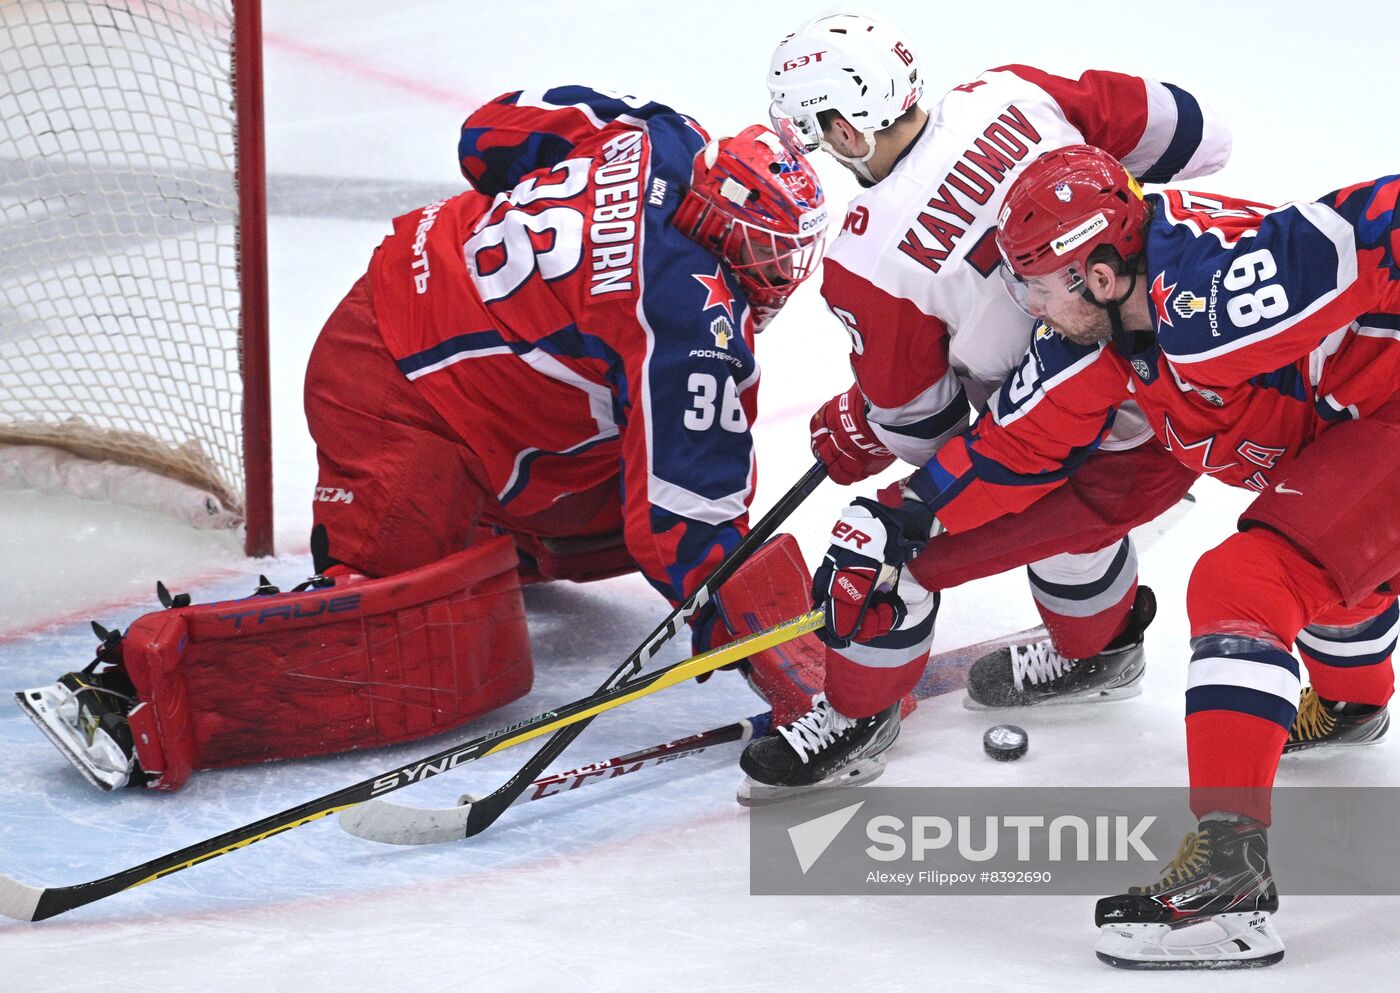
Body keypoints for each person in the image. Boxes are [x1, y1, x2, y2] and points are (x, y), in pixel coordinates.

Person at [17, 86, 832, 793]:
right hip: (394, 402)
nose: (779, 275)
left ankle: (487, 533)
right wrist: (799, 670)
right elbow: (688, 525)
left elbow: (486, 136)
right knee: (403, 643)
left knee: (635, 482)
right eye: (766, 252)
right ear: (713, 218)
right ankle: (130, 693)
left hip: (408, 309)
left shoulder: (659, 135)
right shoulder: (689, 320)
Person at [822, 143, 1399, 966]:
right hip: (1356, 430)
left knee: (1245, 583)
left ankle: (1230, 883)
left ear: (1096, 274)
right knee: (1322, 550)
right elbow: (1013, 445)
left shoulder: (1208, 298)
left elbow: (1378, 226)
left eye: (1035, 284)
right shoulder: (1109, 325)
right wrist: (901, 518)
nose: (1028, 305)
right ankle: (1352, 703)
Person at [737, 9, 1227, 801]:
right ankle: (1099, 648)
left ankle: (857, 720)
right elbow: (1200, 136)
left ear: (847, 130)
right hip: (1186, 371)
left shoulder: (867, 258)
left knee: (885, 548)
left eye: (816, 133)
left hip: (1086, 441)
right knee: (1060, 523)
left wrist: (870, 416)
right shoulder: (1010, 92)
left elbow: (926, 432)